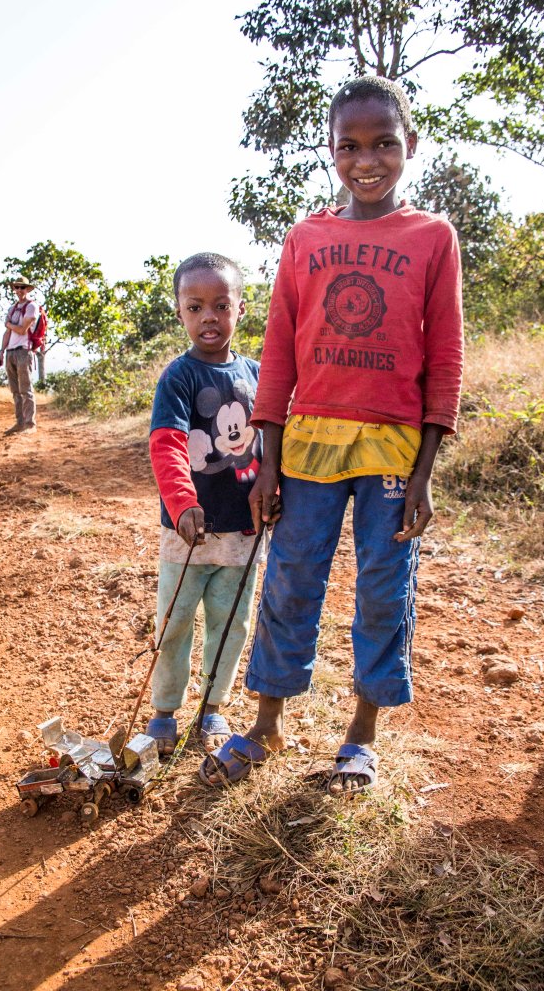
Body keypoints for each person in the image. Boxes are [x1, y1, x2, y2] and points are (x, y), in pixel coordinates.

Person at [202, 76, 464, 791]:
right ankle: (266, 726)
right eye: (349, 145)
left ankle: (360, 735)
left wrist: (425, 471)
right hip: (310, 443)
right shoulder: (306, 237)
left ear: (408, 146)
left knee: (384, 585)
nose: (366, 159)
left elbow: (444, 354)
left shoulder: (431, 238)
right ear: (330, 151)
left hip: (392, 449)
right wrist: (267, 455)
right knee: (290, 580)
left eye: (383, 142)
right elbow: (281, 348)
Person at [146, 252, 267, 761]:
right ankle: (165, 710)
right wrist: (181, 501)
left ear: (242, 308)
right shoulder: (178, 377)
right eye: (195, 307)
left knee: (231, 621)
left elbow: (272, 443)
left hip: (244, 530)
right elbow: (167, 442)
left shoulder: (259, 374)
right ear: (179, 312)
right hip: (187, 531)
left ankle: (214, 705)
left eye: (221, 305)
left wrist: (276, 492)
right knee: (174, 622)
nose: (209, 317)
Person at [0, 275, 39, 434]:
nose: (20, 290)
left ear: (28, 289)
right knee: (15, 390)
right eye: (17, 287)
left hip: (24, 350)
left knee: (26, 389)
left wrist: (8, 324)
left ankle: (30, 424)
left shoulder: (31, 307)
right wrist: (1, 351)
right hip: (10, 352)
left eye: (23, 287)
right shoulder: (13, 308)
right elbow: (8, 333)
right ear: (14, 289)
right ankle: (20, 422)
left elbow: (22, 329)